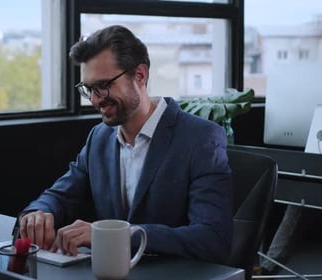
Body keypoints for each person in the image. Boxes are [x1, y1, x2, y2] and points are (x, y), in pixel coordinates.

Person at [16, 25, 233, 264]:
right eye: (89, 89)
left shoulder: (201, 138)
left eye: (104, 85)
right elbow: (59, 195)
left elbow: (213, 239)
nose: (96, 99)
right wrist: (39, 213)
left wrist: (116, 235)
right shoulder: (99, 138)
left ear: (140, 75)